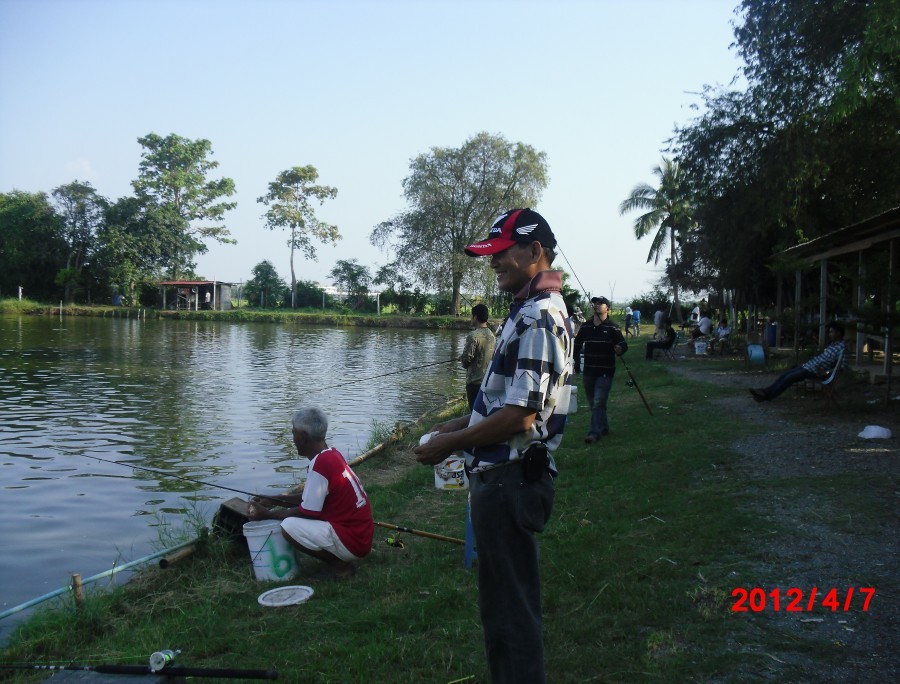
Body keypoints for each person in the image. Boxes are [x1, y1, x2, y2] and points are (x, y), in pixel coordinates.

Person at [414, 208, 573, 684]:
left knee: (511, 609)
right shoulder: (524, 312)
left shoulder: (541, 317)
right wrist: (452, 430)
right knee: (501, 603)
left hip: (509, 481)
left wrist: (450, 444)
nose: (494, 263)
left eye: (501, 253)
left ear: (535, 252)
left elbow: (521, 415)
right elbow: (498, 403)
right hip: (500, 479)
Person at [247, 407, 374, 578]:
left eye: (294, 434)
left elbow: (308, 512)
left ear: (303, 437)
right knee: (289, 519)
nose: (293, 439)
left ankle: (340, 566)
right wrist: (275, 499)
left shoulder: (320, 464)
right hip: (361, 536)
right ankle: (341, 559)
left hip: (353, 542)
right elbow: (311, 498)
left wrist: (268, 515)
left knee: (289, 526)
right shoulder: (331, 454)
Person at [749, 321, 848, 402]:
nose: (830, 334)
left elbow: (842, 367)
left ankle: (767, 396)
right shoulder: (832, 345)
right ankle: (765, 392)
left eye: (832, 332)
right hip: (809, 366)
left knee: (789, 378)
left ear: (838, 333)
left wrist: (827, 373)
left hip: (815, 371)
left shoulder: (842, 347)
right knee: (785, 375)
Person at [574, 296, 627, 443]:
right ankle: (603, 427)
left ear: (607, 308)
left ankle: (594, 433)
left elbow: (623, 345)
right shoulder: (585, 326)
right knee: (594, 403)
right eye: (595, 303)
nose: (596, 306)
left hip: (605, 372)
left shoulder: (612, 327)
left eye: (600, 304)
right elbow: (576, 347)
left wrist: (619, 348)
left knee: (598, 402)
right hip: (589, 371)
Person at [460, 303, 496, 409]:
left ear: (475, 317)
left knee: (474, 412)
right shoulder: (492, 335)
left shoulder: (473, 335)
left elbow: (466, 360)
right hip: (488, 381)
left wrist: (462, 360)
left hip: (474, 382)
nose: (471, 319)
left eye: (472, 316)